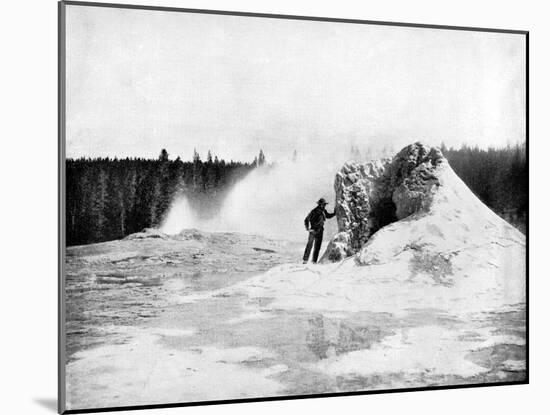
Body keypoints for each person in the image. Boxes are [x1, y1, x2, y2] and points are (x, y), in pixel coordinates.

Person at [303, 198, 335, 264]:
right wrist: (308, 228)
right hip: (313, 231)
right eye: (323, 204)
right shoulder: (314, 211)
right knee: (309, 245)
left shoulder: (323, 211)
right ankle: (305, 260)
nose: (324, 206)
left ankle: (314, 261)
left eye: (324, 204)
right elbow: (306, 220)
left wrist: (334, 213)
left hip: (320, 231)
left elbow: (328, 216)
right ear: (320, 204)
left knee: (317, 246)